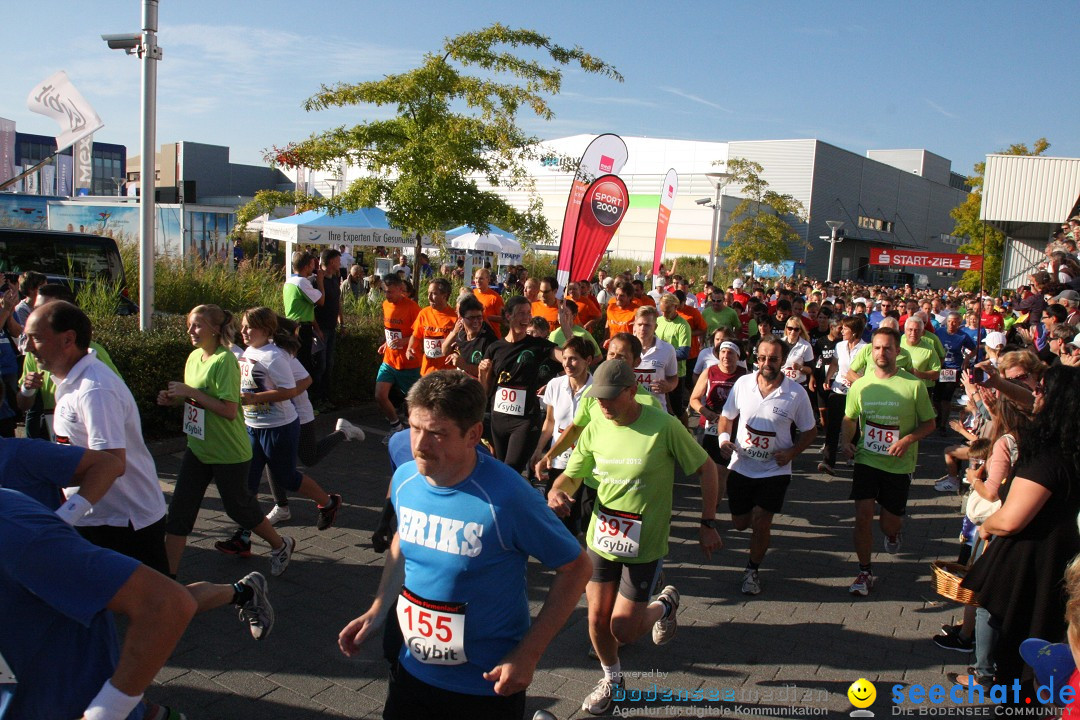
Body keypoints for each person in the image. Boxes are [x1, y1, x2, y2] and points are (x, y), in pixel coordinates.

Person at [337, 371, 590, 719]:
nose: (420, 445)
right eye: (415, 427)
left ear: (473, 434)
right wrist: (378, 610)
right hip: (411, 670)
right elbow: (403, 539)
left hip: (484, 684)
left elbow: (576, 567)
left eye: (437, 433)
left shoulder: (508, 497)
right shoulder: (405, 479)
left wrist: (528, 654)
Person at [547, 359, 722, 716]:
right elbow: (571, 475)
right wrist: (557, 491)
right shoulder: (596, 424)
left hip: (645, 542)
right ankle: (612, 679)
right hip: (602, 537)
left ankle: (665, 605)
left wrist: (707, 522)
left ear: (631, 391)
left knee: (624, 630)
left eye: (611, 398)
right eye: (599, 398)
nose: (604, 405)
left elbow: (706, 468)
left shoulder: (663, 426)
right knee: (596, 620)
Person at [0, 487, 198, 720]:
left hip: (130, 519)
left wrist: (107, 713)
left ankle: (239, 591)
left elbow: (165, 604)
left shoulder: (13, 530)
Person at [23, 301, 172, 574]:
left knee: (160, 607)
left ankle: (239, 592)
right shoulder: (69, 381)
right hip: (95, 516)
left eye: (36, 339)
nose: (29, 348)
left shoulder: (95, 389)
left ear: (68, 339)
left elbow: (113, 463)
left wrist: (65, 517)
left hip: (124, 520)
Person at [961, 364, 1080, 702]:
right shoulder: (1069, 442)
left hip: (1031, 564)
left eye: (1042, 391)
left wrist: (986, 525)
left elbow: (1011, 519)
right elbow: (1032, 400)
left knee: (1017, 653)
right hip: (1056, 555)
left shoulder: (1048, 458)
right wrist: (997, 382)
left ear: (1057, 403)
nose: (1033, 395)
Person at [158, 304, 297, 579]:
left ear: (215, 329)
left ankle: (281, 544)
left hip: (228, 452)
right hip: (198, 448)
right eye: (189, 325)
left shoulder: (226, 361)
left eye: (197, 325)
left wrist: (190, 392)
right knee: (178, 514)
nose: (191, 331)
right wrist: (175, 399)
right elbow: (195, 400)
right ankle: (167, 579)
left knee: (240, 509)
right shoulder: (194, 357)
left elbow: (228, 409)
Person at [715, 335, 816, 595]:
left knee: (762, 522)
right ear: (755, 358)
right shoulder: (743, 384)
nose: (767, 363)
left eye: (773, 359)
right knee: (740, 523)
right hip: (741, 466)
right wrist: (724, 440)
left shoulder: (795, 393)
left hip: (775, 470)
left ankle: (752, 570)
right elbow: (727, 417)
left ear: (783, 361)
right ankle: (750, 537)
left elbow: (810, 431)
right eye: (762, 358)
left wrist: (792, 452)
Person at [840, 327, 936, 596]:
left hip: (899, 464)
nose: (881, 353)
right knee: (862, 517)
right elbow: (849, 417)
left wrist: (906, 440)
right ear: (871, 352)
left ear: (898, 351)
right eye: (877, 348)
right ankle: (864, 571)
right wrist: (845, 441)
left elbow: (930, 424)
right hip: (866, 459)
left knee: (888, 523)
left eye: (887, 348)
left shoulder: (913, 385)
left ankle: (893, 534)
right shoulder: (861, 385)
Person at [210, 307, 299, 573]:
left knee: (287, 479)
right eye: (243, 327)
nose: (244, 332)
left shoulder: (274, 356)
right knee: (246, 485)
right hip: (252, 426)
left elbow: (290, 390)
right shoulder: (247, 353)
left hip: (279, 425)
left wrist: (254, 399)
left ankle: (328, 501)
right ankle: (244, 538)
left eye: (250, 327)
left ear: (267, 329)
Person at [17, 283, 121, 441]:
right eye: (35, 308)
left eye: (47, 309)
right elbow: (23, 404)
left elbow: (109, 454)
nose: (37, 314)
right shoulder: (34, 354)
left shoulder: (94, 363)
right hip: (53, 437)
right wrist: (27, 389)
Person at [478, 296, 559, 474]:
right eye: (521, 313)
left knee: (511, 469)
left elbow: (565, 357)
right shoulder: (495, 348)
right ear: (508, 316)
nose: (526, 318)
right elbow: (485, 390)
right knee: (502, 470)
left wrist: (567, 330)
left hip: (524, 420)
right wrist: (483, 373)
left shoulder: (538, 345)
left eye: (528, 313)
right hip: (498, 417)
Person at [531, 335, 594, 534]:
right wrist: (540, 450)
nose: (568, 363)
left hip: (587, 464)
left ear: (588, 361)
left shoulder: (597, 391)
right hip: (558, 460)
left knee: (584, 516)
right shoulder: (555, 384)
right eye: (565, 358)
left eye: (574, 358)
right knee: (560, 514)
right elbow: (550, 421)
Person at [376, 273, 422, 438]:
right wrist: (386, 343)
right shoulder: (385, 305)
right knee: (380, 395)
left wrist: (405, 341)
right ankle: (396, 426)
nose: (387, 295)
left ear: (400, 289)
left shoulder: (412, 308)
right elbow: (390, 330)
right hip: (389, 360)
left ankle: (415, 435)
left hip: (409, 363)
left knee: (414, 404)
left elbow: (420, 334)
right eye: (385, 291)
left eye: (390, 292)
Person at [282, 250, 326, 375]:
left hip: (293, 325)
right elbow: (321, 301)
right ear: (306, 266)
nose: (314, 268)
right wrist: (320, 282)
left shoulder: (289, 281)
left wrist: (316, 328)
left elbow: (306, 309)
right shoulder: (302, 282)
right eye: (312, 264)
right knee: (304, 364)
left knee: (298, 362)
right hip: (301, 328)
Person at [310, 248, 343, 411]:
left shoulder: (335, 278)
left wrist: (341, 322)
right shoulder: (316, 280)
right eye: (338, 260)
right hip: (321, 328)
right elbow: (313, 307)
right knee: (320, 365)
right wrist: (317, 329)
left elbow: (338, 301)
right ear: (331, 262)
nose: (340, 263)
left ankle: (325, 398)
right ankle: (316, 400)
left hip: (332, 327)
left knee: (328, 365)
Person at [934, 311, 977, 434]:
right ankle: (939, 416)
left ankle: (943, 425)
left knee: (946, 398)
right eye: (949, 321)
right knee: (936, 398)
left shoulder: (962, 336)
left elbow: (974, 349)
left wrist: (967, 359)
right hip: (940, 367)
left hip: (953, 369)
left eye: (954, 322)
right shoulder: (940, 332)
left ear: (959, 323)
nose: (951, 324)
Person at [632, 305, 679, 412]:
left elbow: (673, 378)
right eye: (640, 324)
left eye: (647, 325)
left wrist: (668, 386)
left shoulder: (667, 349)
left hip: (657, 409)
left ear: (655, 327)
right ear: (634, 325)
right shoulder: (626, 346)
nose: (643, 328)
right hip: (630, 410)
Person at [408, 278, 459, 376]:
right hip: (427, 371)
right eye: (428, 293)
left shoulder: (454, 317)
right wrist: (410, 348)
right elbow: (416, 336)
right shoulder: (424, 313)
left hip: (447, 373)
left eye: (434, 294)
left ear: (444, 295)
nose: (429, 297)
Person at [443, 294, 499, 379]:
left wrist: (464, 365)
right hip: (461, 386)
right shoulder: (460, 334)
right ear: (461, 318)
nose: (476, 321)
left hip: (477, 390)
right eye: (471, 318)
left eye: (479, 317)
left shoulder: (488, 340)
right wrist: (454, 333)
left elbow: (490, 373)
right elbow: (444, 351)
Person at [472, 267, 504, 338]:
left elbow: (504, 319)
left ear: (488, 280)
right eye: (476, 278)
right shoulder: (472, 294)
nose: (477, 281)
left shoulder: (495, 297)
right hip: (476, 337)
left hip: (491, 337)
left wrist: (486, 317)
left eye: (481, 278)